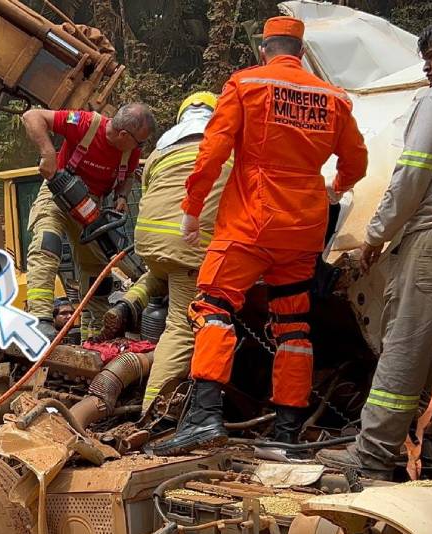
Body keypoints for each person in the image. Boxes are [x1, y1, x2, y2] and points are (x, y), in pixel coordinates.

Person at [158, 16, 368, 454]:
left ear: (264, 49)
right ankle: (286, 434)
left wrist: (192, 210)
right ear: (302, 53)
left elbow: (212, 151)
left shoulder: (246, 84)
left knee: (214, 307)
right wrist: (336, 187)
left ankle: (203, 417)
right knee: (293, 326)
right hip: (303, 228)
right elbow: (356, 162)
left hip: (250, 224)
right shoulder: (333, 97)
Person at [317, 18, 432, 480]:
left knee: (405, 347)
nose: (426, 67)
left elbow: (410, 176)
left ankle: (371, 455)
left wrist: (375, 236)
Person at [114, 92, 234, 411]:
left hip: (151, 242)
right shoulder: (227, 142)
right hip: (188, 242)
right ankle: (153, 412)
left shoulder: (161, 147)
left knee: (162, 274)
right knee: (181, 326)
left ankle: (126, 305)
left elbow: (150, 187)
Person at [20, 102, 157, 339]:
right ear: (124, 135)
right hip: (58, 191)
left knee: (97, 270)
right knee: (47, 243)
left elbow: (128, 176)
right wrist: (48, 153)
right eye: (140, 142)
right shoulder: (85, 124)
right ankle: (41, 319)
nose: (141, 147)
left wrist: (122, 196)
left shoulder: (130, 150)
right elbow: (32, 116)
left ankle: (94, 336)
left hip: (92, 207)